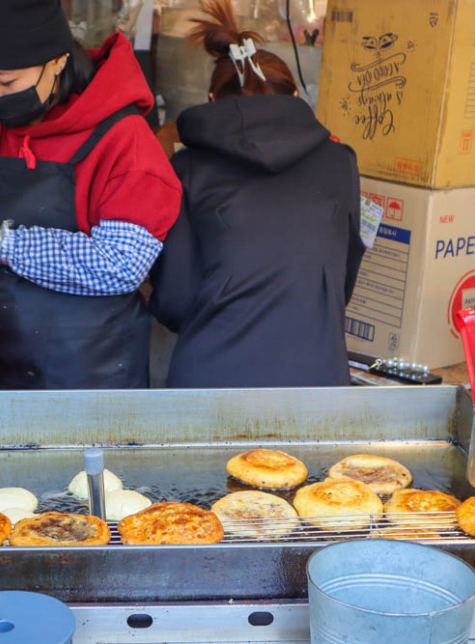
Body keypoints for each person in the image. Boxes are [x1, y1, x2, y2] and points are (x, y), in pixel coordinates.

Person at [0, 0, 181, 389]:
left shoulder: (123, 140)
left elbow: (122, 263)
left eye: (7, 82)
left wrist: (3, 246)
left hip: (91, 370)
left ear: (57, 61)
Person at [148, 0, 365, 388]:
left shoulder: (187, 170)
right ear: (295, 95)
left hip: (212, 382)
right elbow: (339, 283)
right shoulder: (340, 163)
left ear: (213, 102)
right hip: (318, 381)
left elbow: (176, 299)